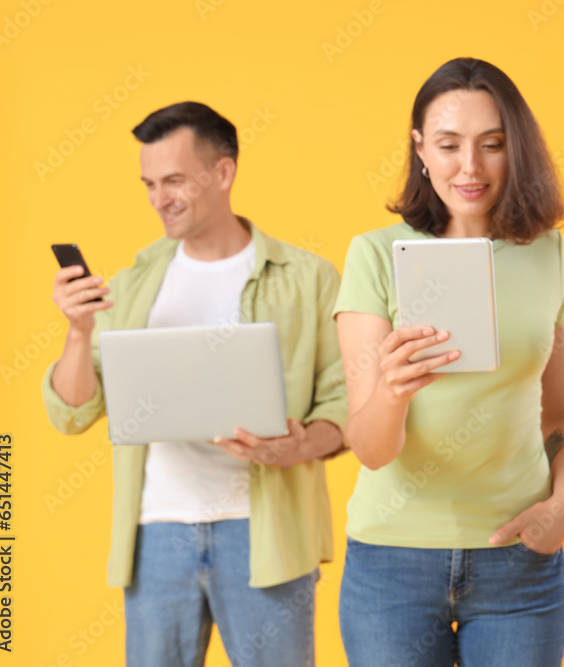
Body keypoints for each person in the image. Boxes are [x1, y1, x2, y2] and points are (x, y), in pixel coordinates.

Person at [42, 101, 348, 667]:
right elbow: (74, 411)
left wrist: (296, 445)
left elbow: (346, 403)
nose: (161, 199)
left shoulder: (308, 279)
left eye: (175, 180)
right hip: (157, 534)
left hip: (267, 537)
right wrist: (80, 333)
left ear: (224, 172)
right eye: (150, 184)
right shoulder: (134, 284)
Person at [333, 57, 564, 666]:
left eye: (491, 145)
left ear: (515, 149)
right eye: (448, 145)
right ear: (420, 149)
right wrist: (392, 391)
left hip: (518, 562)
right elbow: (370, 449)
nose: (469, 168)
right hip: (392, 565)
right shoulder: (374, 256)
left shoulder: (548, 252)